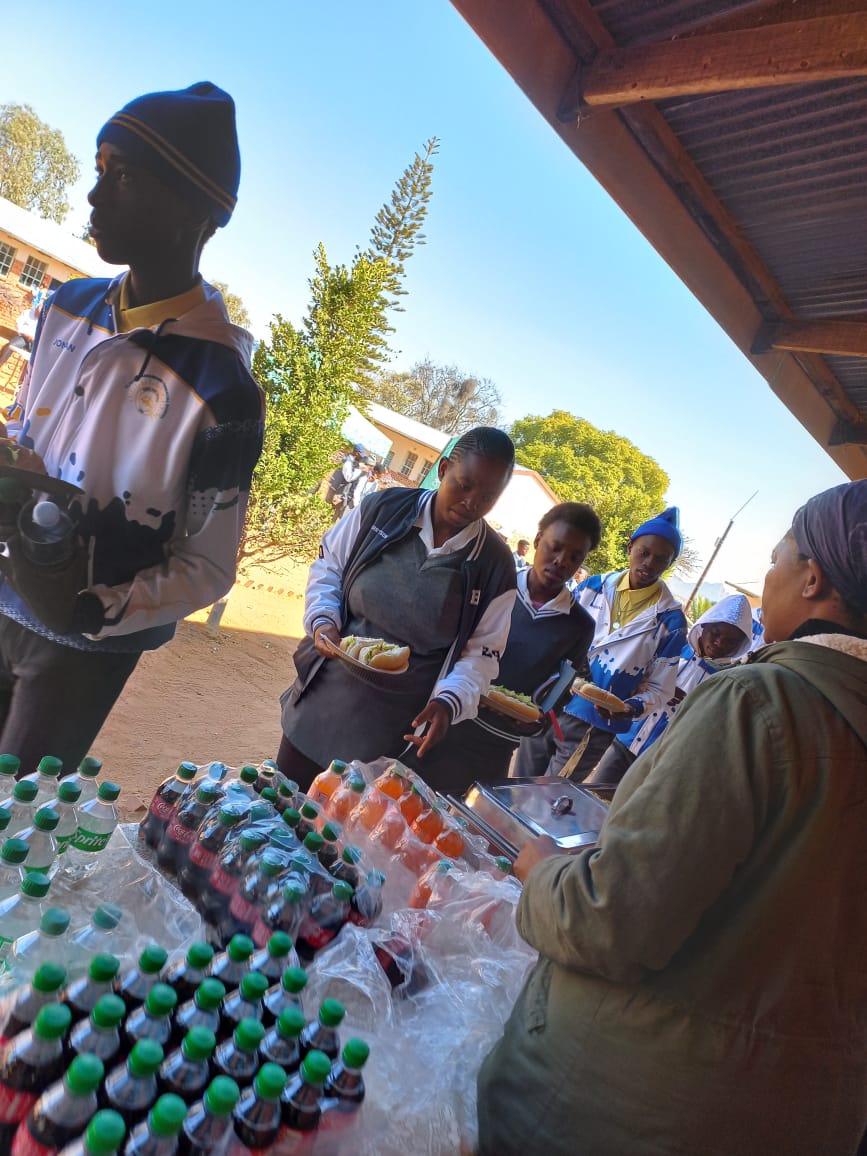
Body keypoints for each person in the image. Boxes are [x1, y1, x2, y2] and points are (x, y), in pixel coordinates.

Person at [477, 479, 867, 1156]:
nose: (768, 577)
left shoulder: (758, 702)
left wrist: (544, 876)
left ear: (812, 579)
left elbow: (613, 919)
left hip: (633, 1106)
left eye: (777, 557)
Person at [0, 82, 264, 775]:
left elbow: (208, 566)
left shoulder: (222, 389)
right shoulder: (66, 307)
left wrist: (93, 608)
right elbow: (26, 434)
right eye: (99, 171)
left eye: (123, 178)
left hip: (79, 653)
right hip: (2, 590)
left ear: (193, 211)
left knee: (15, 814)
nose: (93, 196)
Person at [277, 427, 518, 790]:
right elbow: (329, 567)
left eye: (487, 497)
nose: (471, 503)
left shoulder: (495, 565)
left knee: (345, 816)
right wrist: (323, 620)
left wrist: (448, 702)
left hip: (392, 729)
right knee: (280, 799)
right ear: (444, 470)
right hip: (324, 696)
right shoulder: (383, 509)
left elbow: (481, 655)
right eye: (464, 485)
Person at [403, 502, 601, 795]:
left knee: (457, 815)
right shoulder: (494, 584)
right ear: (537, 541)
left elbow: (556, 696)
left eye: (574, 557)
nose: (561, 561)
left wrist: (534, 721)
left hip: (495, 746)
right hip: (443, 718)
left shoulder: (579, 625)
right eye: (555, 547)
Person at [514, 507, 687, 779]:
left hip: (593, 723)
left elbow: (660, 688)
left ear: (670, 564)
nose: (649, 563)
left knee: (548, 796)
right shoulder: (593, 587)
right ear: (630, 547)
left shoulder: (671, 622)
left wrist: (631, 707)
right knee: (516, 782)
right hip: (548, 702)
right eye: (644, 553)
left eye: (661, 559)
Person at [587, 592, 754, 785]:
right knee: (596, 793)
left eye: (731, 642)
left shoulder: (726, 680)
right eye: (715, 633)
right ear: (704, 625)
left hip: (660, 763)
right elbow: (636, 677)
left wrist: (689, 704)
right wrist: (662, 690)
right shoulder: (672, 648)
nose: (720, 643)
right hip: (625, 743)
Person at [324, 445, 365, 520]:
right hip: (334, 489)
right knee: (327, 511)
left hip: (337, 489)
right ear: (356, 453)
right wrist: (359, 469)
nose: (361, 458)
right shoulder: (348, 462)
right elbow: (348, 478)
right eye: (360, 455)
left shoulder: (351, 462)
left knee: (332, 512)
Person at [0, 292, 40, 369]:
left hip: (35, 342)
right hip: (23, 338)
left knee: (38, 356)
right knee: (10, 346)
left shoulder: (44, 320)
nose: (38, 314)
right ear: (36, 309)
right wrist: (25, 334)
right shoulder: (27, 313)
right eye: (38, 312)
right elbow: (18, 324)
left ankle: (28, 375)